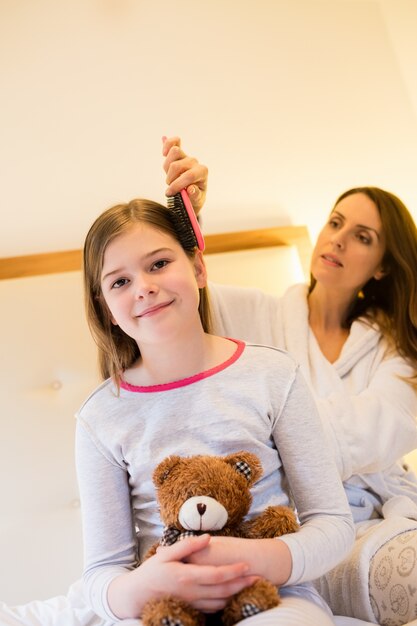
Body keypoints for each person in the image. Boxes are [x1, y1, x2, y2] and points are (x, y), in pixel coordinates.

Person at [162, 137, 417, 626]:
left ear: (384, 265)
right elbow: (180, 297)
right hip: (280, 531)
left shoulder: (397, 350)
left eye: (363, 236)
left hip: (372, 525)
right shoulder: (256, 315)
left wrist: (277, 429)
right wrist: (186, 217)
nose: (338, 239)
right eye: (336, 222)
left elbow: (383, 428)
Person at [75, 196, 355, 625]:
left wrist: (255, 558)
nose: (144, 287)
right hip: (162, 609)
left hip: (272, 599)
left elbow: (332, 524)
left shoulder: (273, 375)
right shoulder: (101, 418)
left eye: (158, 264)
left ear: (199, 269)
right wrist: (153, 583)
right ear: (107, 310)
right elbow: (101, 574)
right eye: (119, 282)